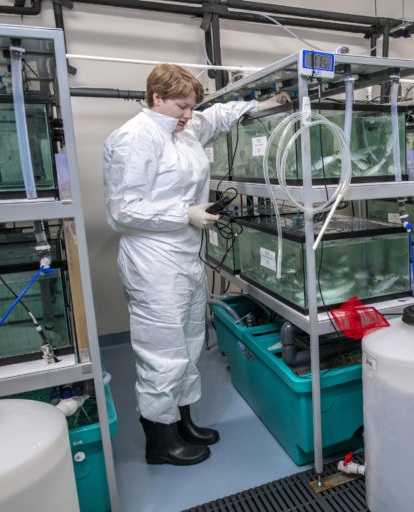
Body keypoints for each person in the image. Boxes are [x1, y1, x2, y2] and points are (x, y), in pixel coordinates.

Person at [103, 63, 289, 466]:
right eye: (182, 106)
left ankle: (182, 422)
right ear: (156, 98)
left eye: (192, 107)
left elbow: (216, 117)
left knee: (188, 343)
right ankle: (160, 441)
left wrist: (262, 101)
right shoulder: (134, 139)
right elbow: (122, 211)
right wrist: (184, 213)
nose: (190, 115)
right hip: (153, 263)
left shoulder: (182, 128)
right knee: (161, 351)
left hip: (185, 256)